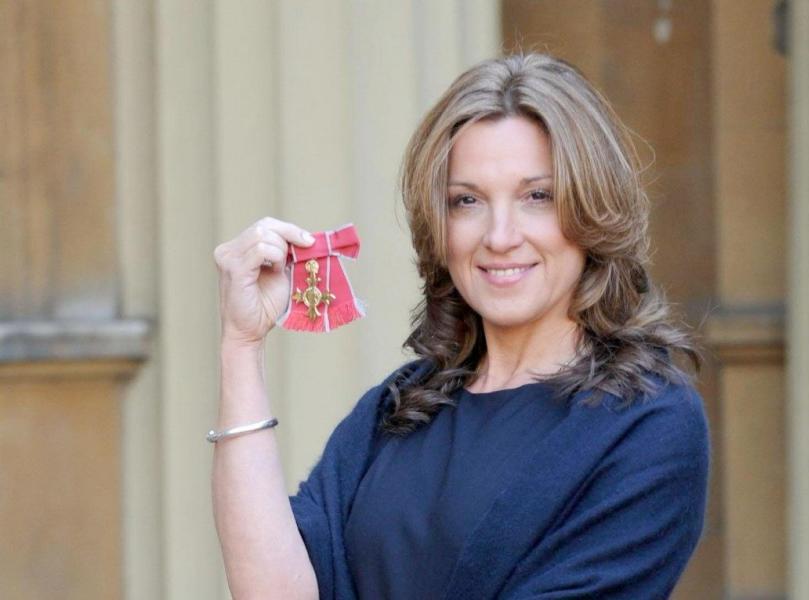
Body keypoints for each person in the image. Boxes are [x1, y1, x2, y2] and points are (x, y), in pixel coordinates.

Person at [211, 51, 709, 599]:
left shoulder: (648, 422)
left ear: (592, 210)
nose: (499, 236)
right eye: (466, 201)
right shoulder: (401, 405)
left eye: (536, 196)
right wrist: (241, 345)